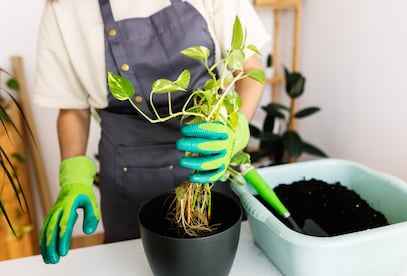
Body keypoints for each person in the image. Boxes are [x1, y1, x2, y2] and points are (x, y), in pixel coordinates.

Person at [35, 0, 269, 264]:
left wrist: (234, 129)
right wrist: (74, 175)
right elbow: (73, 108)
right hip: (126, 172)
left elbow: (249, 71)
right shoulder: (65, 8)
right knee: (129, 263)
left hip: (209, 154)